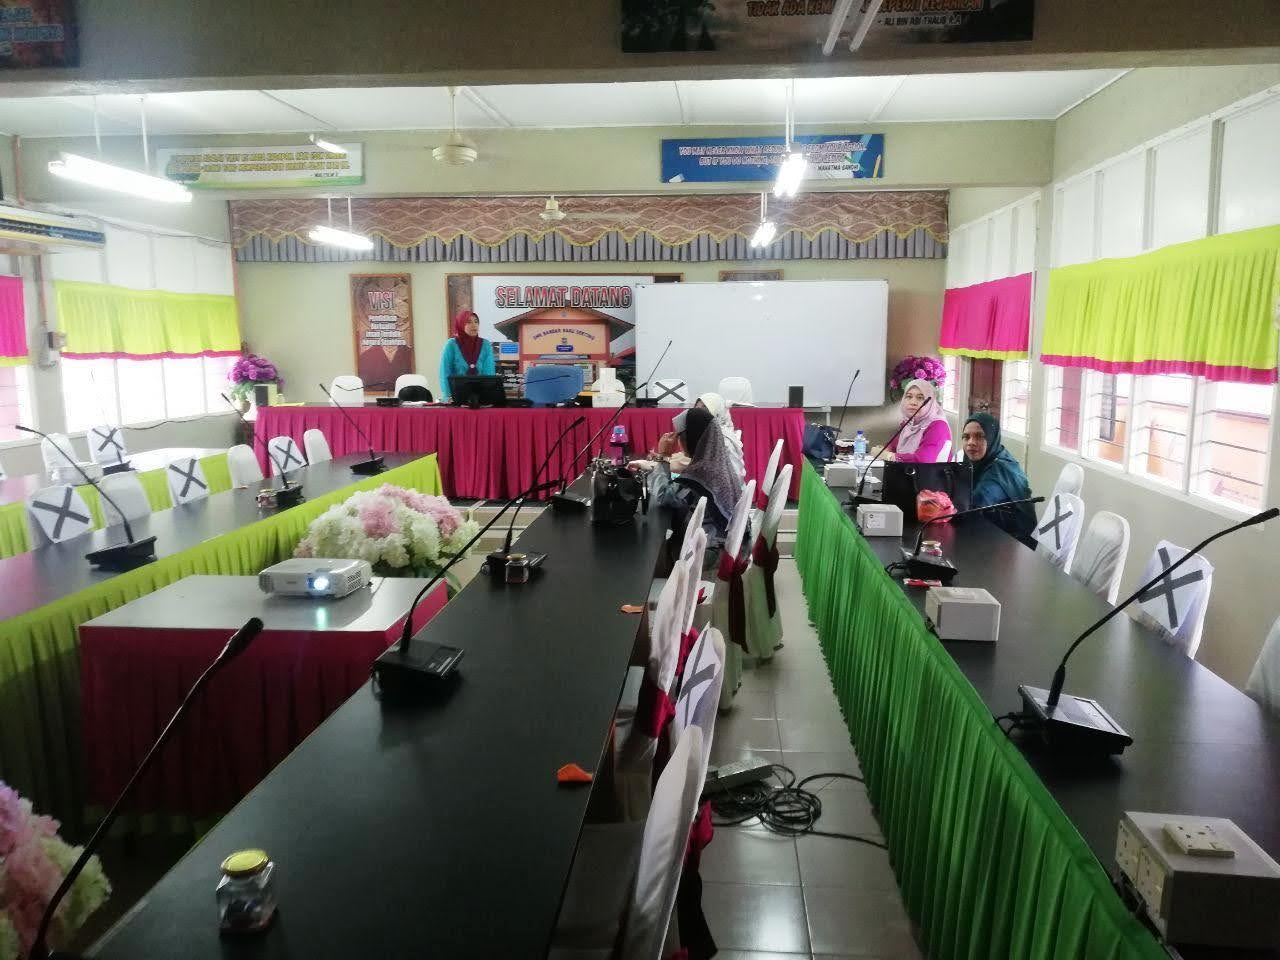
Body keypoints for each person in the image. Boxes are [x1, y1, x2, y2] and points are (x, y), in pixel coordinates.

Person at [629, 407, 745, 570]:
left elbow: (664, 496)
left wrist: (663, 456)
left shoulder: (702, 473)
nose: (677, 441)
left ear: (692, 438)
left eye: (679, 436)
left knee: (640, 560)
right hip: (722, 544)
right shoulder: (716, 462)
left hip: (707, 553)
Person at [961, 412, 1037, 546]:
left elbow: (974, 505)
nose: (971, 442)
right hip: (993, 533)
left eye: (979, 436)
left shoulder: (999, 471)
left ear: (992, 438)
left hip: (1014, 546)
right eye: (966, 437)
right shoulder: (989, 457)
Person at [880, 379, 952, 463]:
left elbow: (924, 459)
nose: (913, 402)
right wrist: (883, 449)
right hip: (907, 470)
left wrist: (890, 456)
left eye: (920, 398)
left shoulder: (938, 425)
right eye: (909, 397)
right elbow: (893, 446)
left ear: (930, 402)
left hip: (928, 471)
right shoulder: (908, 423)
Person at [439, 310, 496, 401]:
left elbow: (489, 374)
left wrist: (488, 396)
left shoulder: (485, 345)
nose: (474, 325)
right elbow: (444, 372)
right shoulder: (451, 345)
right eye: (469, 322)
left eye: (476, 322)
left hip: (481, 398)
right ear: (461, 324)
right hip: (456, 397)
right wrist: (448, 397)